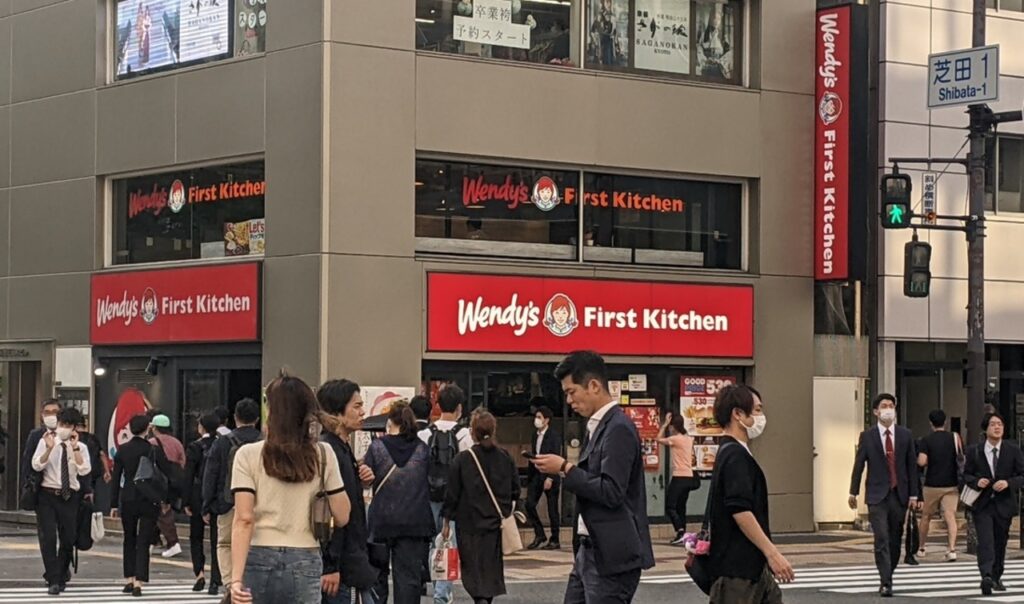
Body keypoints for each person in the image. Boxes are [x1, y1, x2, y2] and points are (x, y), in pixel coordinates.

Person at [531, 350, 654, 604]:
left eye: (571, 391)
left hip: (611, 555)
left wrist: (565, 468)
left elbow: (611, 491)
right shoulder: (596, 425)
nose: (568, 400)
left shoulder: (618, 427)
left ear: (594, 385)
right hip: (589, 550)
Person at [229, 375, 352, 604]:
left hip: (258, 554)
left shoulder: (246, 455)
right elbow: (343, 516)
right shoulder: (323, 454)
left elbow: (244, 519)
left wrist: (235, 580)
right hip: (305, 554)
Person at [706, 385, 792, 602]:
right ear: (738, 414)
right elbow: (740, 510)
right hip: (739, 570)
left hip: (751, 568)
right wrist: (772, 553)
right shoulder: (735, 456)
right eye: (757, 410)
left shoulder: (731, 451)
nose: (761, 417)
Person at [848, 393, 920, 598]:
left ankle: (889, 571)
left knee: (895, 537)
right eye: (884, 406)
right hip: (876, 494)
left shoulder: (905, 435)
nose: (888, 409)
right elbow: (859, 464)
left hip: (899, 493)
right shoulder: (867, 436)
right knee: (881, 536)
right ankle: (885, 581)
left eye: (891, 406)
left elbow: (911, 467)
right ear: (875, 412)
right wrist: (853, 491)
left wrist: (915, 494)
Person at [317, 379, 382, 604]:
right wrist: (331, 565)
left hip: (351, 560)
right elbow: (330, 514)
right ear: (337, 412)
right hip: (342, 566)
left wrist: (360, 480)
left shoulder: (342, 448)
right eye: (356, 406)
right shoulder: (330, 449)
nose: (363, 412)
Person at [442, 411, 518, 604]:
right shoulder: (505, 457)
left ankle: (479, 599)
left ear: (472, 432)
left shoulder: (462, 459)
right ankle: (486, 599)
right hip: (494, 522)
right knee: (490, 566)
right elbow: (515, 490)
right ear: (493, 431)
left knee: (472, 566)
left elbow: (452, 493)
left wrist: (446, 520)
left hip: (468, 523)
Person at [366, 402, 435, 604]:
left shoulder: (377, 447)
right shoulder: (422, 449)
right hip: (415, 523)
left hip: (381, 522)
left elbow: (367, 478)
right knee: (409, 581)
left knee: (377, 577)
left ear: (390, 422)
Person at [111, 414, 176, 597]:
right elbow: (166, 475)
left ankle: (129, 578)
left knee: (129, 538)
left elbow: (116, 479)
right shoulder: (153, 450)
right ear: (147, 429)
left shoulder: (122, 450)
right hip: (149, 498)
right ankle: (140, 581)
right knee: (144, 539)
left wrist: (113, 503)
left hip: (129, 497)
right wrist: (166, 499)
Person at [203, 398, 263, 598]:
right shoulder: (264, 441)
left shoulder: (222, 442)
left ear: (235, 418)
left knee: (225, 543)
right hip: (259, 502)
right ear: (257, 418)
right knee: (256, 543)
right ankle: (251, 582)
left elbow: (210, 473)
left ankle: (231, 585)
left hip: (227, 501)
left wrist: (207, 504)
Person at [418, 385, 472, 604]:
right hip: (455, 499)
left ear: (437, 405)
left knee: (433, 542)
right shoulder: (465, 434)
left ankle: (435, 581)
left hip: (429, 496)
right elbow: (469, 469)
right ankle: (442, 592)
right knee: (450, 544)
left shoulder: (424, 434)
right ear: (459, 408)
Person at [31, 406, 91, 596]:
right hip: (47, 495)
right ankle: (53, 579)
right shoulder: (46, 441)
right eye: (61, 424)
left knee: (68, 538)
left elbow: (84, 470)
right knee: (48, 537)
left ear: (74, 428)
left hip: (69, 496)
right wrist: (49, 449)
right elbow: (37, 464)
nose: (63, 428)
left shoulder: (81, 447)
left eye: (68, 425)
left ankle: (62, 572)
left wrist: (74, 449)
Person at [963, 412, 1024, 595]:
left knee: (1000, 541)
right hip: (982, 504)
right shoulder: (975, 450)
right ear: (986, 429)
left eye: (1000, 424)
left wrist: (1008, 483)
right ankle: (986, 576)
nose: (997, 427)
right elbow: (966, 475)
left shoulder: (1012, 450)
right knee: (986, 540)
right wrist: (976, 482)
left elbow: (1021, 475)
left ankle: (997, 574)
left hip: (1004, 503)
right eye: (993, 424)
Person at [916, 409, 962, 562]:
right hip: (951, 484)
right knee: (950, 516)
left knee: (926, 516)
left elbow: (922, 461)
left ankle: (922, 547)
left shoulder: (926, 440)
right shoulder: (954, 438)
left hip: (932, 484)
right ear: (946, 422)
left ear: (931, 423)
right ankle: (951, 549)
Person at [185, 413, 222, 592]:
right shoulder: (222, 444)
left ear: (201, 427)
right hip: (216, 495)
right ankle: (216, 579)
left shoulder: (194, 447)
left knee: (196, 536)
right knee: (217, 539)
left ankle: (199, 574)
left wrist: (185, 501)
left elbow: (188, 475)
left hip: (197, 494)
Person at [657, 412, 697, 544]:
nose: (669, 428)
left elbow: (658, 439)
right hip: (689, 476)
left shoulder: (676, 439)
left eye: (671, 425)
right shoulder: (688, 438)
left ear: (674, 426)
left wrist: (664, 425)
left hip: (679, 476)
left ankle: (680, 531)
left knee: (670, 506)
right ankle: (683, 534)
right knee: (681, 507)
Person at [525, 405, 562, 551]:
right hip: (537, 473)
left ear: (546, 420)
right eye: (536, 417)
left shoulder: (554, 436)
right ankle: (539, 534)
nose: (537, 420)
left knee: (552, 508)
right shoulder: (535, 435)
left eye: (540, 417)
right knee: (529, 504)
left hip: (550, 475)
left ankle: (555, 538)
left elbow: (556, 456)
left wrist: (550, 477)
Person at [150, 414, 186, 558]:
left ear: (155, 428)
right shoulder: (177, 443)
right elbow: (183, 462)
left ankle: (173, 543)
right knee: (160, 511)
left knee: (163, 512)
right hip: (173, 482)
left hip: (158, 482)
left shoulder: (152, 442)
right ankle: (152, 541)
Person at [20, 399, 62, 491]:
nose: (51, 415)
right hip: (42, 488)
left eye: (55, 412)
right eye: (47, 412)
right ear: (42, 416)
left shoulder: (69, 434)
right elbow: (28, 460)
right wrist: (25, 486)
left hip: (66, 488)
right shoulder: (36, 435)